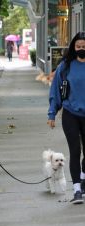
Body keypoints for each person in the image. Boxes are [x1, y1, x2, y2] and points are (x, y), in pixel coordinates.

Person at [47, 31, 85, 204]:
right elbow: (55, 90)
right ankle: (77, 189)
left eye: (84, 47)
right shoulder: (66, 66)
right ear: (73, 47)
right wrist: (52, 113)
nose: (81, 49)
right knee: (75, 151)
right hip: (70, 113)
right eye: (78, 47)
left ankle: (83, 177)